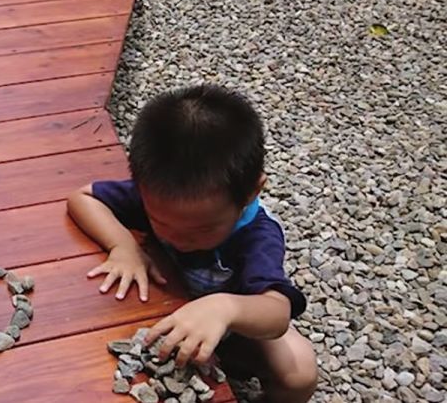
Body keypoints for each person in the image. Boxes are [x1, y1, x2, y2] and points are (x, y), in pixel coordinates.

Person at [67, 85, 317, 402]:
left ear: (251, 192)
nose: (179, 238)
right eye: (161, 222)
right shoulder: (164, 192)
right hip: (168, 303)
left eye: (202, 229)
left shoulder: (257, 235)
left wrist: (225, 307)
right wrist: (124, 247)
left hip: (238, 322)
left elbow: (277, 312)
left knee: (300, 374)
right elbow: (83, 197)